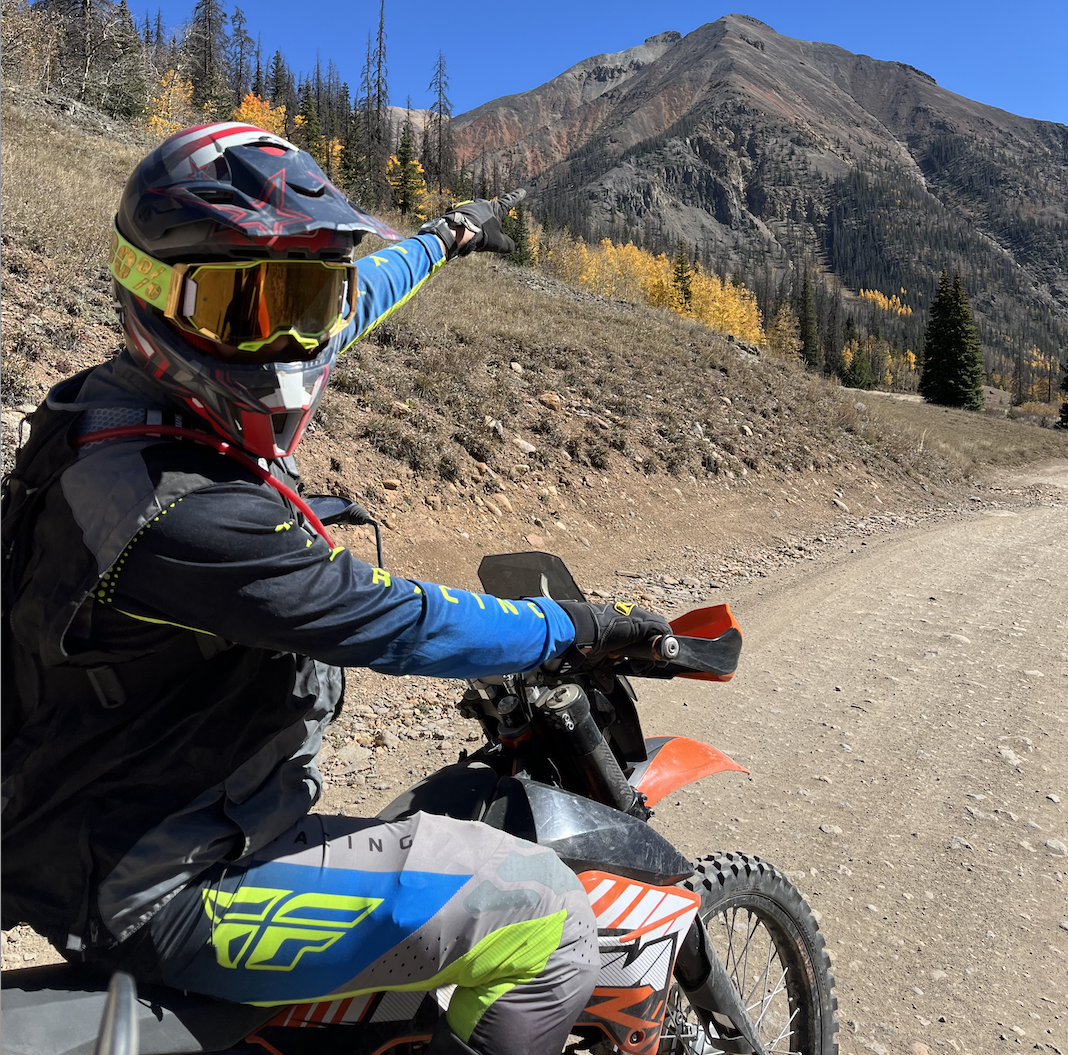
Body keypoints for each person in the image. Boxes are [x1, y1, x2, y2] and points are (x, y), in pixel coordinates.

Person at [1, 121, 670, 1055]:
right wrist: (577, 627)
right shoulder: (182, 515)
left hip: (101, 823)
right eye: (253, 303)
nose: (291, 337)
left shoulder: (105, 416)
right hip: (170, 885)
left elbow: (347, 311)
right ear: (153, 293)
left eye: (309, 295)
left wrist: (444, 237)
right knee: (547, 917)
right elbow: (402, 623)